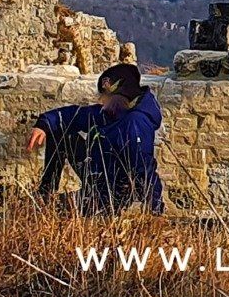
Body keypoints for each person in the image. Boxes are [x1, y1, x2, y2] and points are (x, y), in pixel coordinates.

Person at [27, 62, 164, 214]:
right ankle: (46, 193)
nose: (101, 100)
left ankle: (54, 205)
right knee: (59, 131)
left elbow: (144, 170)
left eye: (105, 96)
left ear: (118, 95)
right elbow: (75, 116)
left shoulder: (135, 123)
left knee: (53, 210)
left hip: (110, 196)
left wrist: (154, 210)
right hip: (96, 173)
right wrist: (44, 124)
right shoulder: (113, 112)